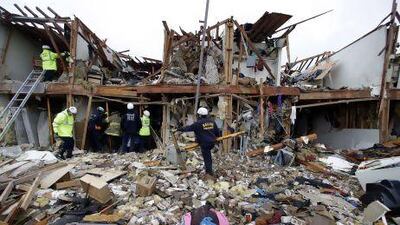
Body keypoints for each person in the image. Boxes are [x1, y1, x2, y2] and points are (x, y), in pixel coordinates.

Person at [178, 107, 221, 177]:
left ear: (199, 115)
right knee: (208, 156)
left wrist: (179, 129)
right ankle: (209, 170)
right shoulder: (212, 121)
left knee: (207, 158)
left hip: (204, 143)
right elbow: (217, 132)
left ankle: (209, 172)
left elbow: (188, 128)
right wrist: (217, 140)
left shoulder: (198, 123)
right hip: (212, 142)